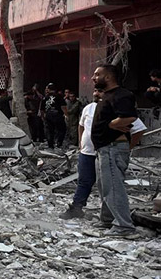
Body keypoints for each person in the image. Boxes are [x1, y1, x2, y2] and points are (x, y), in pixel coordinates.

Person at [59, 88, 147, 219]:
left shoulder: (117, 108)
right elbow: (81, 125)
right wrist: (81, 143)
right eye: (95, 90)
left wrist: (127, 148)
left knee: (108, 186)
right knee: (84, 181)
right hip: (87, 152)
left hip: (106, 153)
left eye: (100, 91)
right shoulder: (88, 108)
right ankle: (77, 207)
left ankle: (112, 217)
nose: (96, 93)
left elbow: (139, 129)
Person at [91, 64, 138, 237]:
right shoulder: (107, 96)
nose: (93, 78)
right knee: (104, 186)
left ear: (108, 77)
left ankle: (124, 226)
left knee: (113, 187)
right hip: (104, 148)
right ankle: (107, 219)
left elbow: (130, 116)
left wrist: (112, 125)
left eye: (97, 74)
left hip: (113, 148)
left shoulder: (121, 94)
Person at [42, 83, 66, 150]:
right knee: (62, 130)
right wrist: (66, 115)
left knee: (50, 131)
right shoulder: (59, 96)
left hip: (48, 116)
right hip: (58, 115)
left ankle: (50, 145)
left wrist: (43, 117)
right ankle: (59, 144)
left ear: (49, 89)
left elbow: (42, 109)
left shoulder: (45, 97)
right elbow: (63, 107)